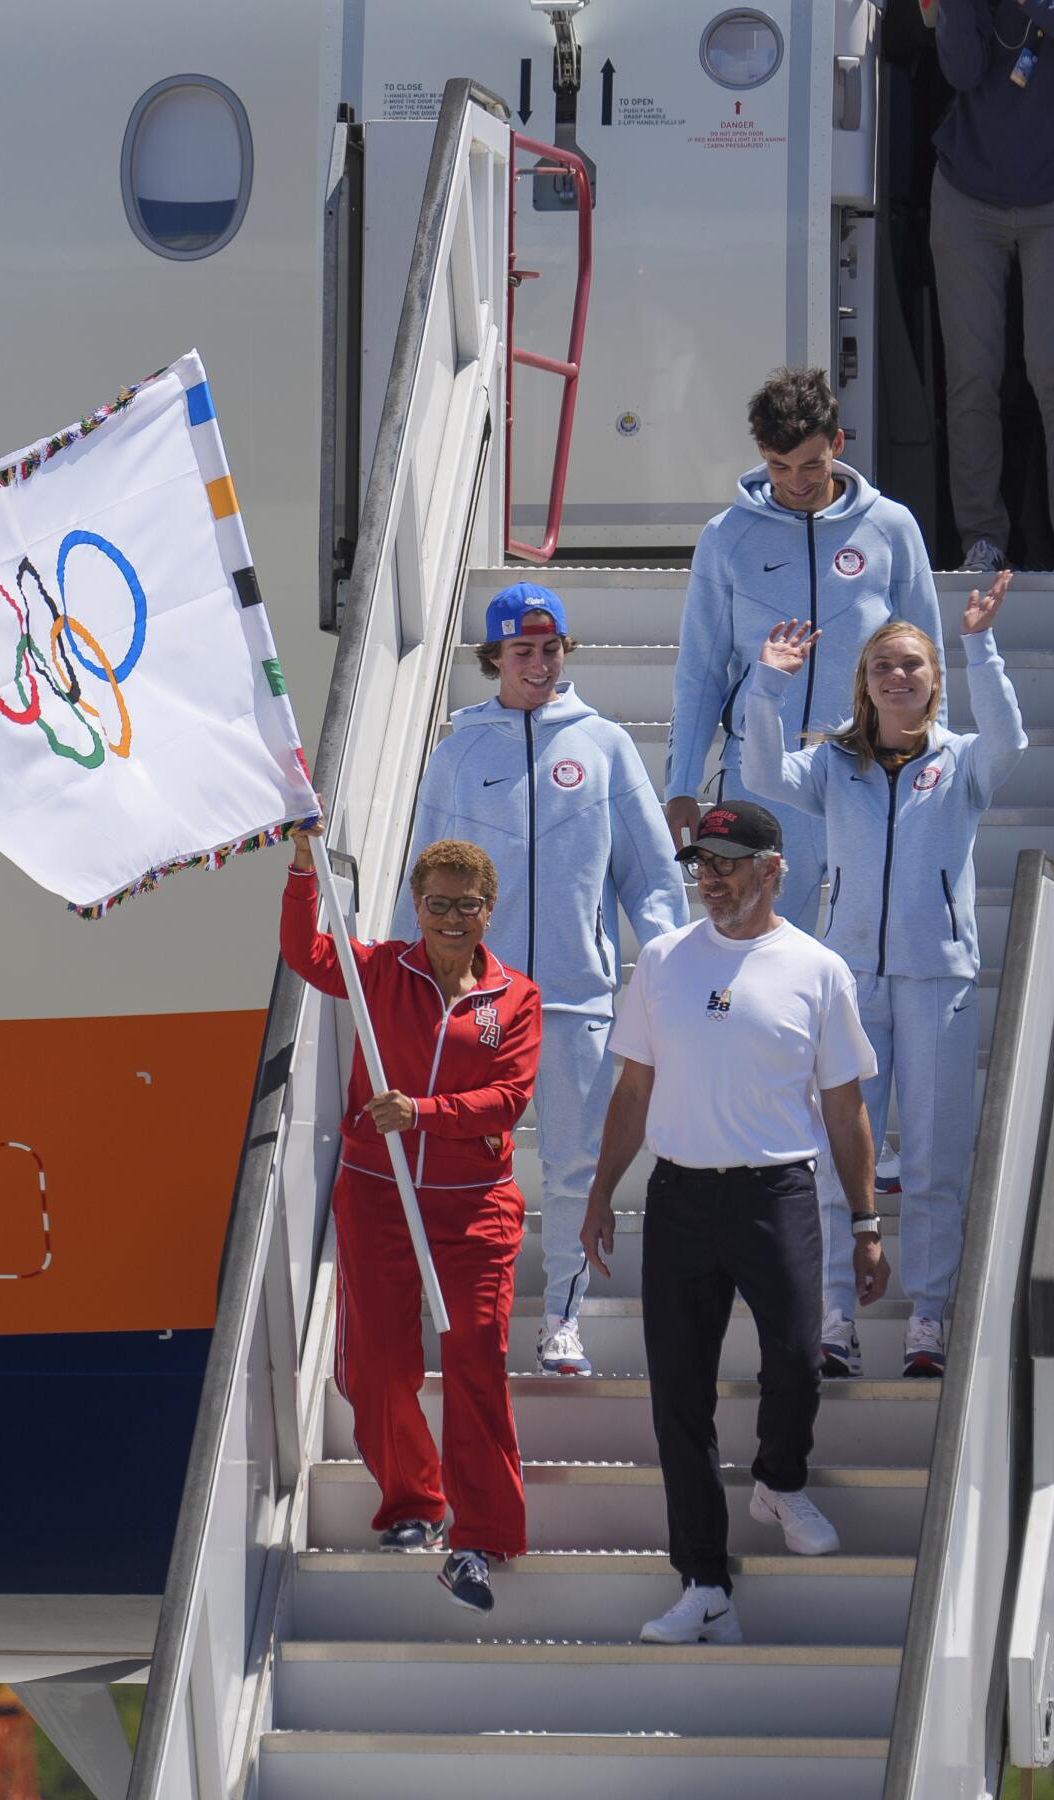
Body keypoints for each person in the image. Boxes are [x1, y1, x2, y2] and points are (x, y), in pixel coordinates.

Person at [579, 800, 889, 1645]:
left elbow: (845, 1106)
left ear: (771, 868)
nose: (709, 877)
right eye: (699, 864)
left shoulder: (818, 969)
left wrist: (865, 1222)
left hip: (775, 1195)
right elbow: (633, 1092)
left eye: (725, 861)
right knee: (679, 1399)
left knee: (797, 1359)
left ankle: (779, 1479)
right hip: (678, 1199)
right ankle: (703, 1582)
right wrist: (604, 1191)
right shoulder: (665, 961)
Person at [392, 581, 687, 1377]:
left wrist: (666, 970)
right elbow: (421, 875)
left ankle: (563, 1320)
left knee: (572, 1165)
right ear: (494, 659)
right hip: (474, 997)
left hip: (573, 992)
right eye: (522, 651)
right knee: (462, 1156)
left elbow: (652, 876)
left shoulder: (604, 745)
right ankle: (462, 1311)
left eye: (551, 648)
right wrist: (401, 974)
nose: (539, 663)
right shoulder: (460, 751)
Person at [741, 571, 1026, 1378]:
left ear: (934, 681)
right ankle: (836, 1313)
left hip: (939, 981)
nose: (898, 677)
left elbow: (1012, 741)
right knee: (839, 1156)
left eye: (912, 666)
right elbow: (763, 774)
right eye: (882, 668)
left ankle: (928, 1318)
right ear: (864, 685)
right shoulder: (836, 765)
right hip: (852, 981)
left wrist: (980, 642)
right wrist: (770, 682)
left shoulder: (962, 763)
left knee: (935, 1156)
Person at [282, 827, 541, 1615]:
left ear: (490, 910)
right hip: (377, 1192)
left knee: (474, 1360)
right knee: (381, 1363)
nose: (452, 919)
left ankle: (486, 1529)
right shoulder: (375, 971)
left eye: (467, 905)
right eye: (438, 904)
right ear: (416, 907)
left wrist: (421, 1113)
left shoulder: (516, 998)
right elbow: (305, 951)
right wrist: (301, 868)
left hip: (474, 1207)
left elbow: (509, 1098)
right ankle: (412, 1506)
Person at [664, 365, 945, 933]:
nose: (796, 481)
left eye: (812, 464)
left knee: (869, 955)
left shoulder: (891, 527)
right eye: (779, 465)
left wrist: (934, 767)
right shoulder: (726, 537)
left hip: (867, 770)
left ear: (837, 445)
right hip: (761, 777)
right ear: (761, 452)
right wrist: (680, 785)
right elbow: (701, 672)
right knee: (752, 952)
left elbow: (928, 659)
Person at [930, 0, 1054, 571]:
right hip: (967, 195)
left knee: (1050, 370)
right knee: (972, 377)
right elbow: (959, 70)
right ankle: (982, 539)